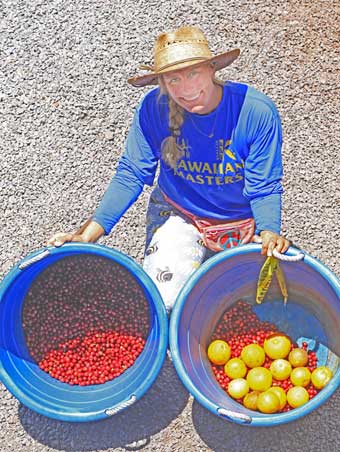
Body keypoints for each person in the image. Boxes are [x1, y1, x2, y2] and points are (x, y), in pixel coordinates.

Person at [47, 25, 290, 312]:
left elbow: (263, 186)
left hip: (237, 219)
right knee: (165, 302)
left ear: (211, 68)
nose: (186, 90)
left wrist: (269, 230)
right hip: (178, 212)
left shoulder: (255, 111)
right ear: (161, 83)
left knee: (233, 306)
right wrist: (87, 234)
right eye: (173, 79)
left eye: (193, 73)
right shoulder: (154, 108)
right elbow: (132, 173)